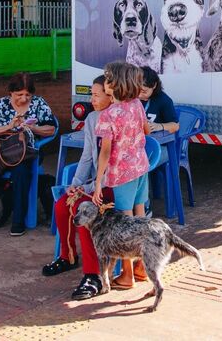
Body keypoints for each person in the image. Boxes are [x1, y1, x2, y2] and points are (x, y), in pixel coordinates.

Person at [41, 75, 113, 300]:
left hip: (112, 186)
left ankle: (93, 275)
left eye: (96, 95)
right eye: (91, 94)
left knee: (83, 211)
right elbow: (87, 157)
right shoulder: (92, 118)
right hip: (94, 185)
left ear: (111, 96)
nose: (92, 100)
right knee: (62, 204)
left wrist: (89, 187)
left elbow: (113, 167)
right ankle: (67, 256)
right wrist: (75, 185)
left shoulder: (118, 119)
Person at [0, 72, 57, 239]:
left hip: (25, 152)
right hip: (0, 151)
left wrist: (33, 128)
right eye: (19, 94)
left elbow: (51, 129)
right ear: (10, 93)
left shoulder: (39, 104)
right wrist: (8, 126)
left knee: (21, 173)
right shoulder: (1, 104)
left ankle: (18, 221)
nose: (24, 98)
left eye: (28, 94)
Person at [93, 61, 151, 288]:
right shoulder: (136, 104)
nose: (105, 82)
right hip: (141, 167)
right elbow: (146, 130)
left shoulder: (108, 115)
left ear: (115, 84)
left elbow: (105, 152)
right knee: (141, 216)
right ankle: (142, 267)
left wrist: (99, 181)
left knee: (125, 224)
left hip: (121, 174)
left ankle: (127, 275)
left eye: (107, 79)